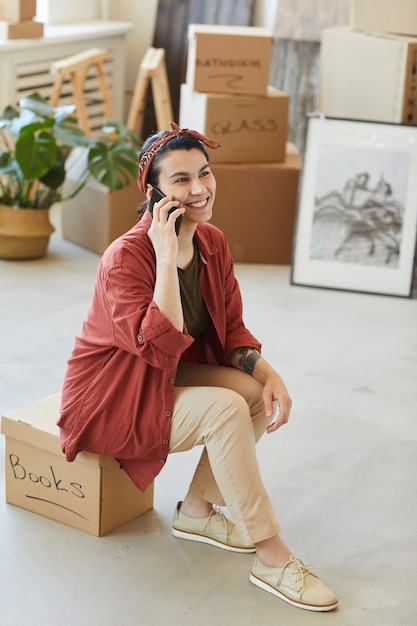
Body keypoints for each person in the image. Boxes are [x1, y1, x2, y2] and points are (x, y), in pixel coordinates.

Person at [58, 122, 338, 612]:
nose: (200, 189)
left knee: (251, 393)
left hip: (160, 380)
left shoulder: (211, 243)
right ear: (154, 194)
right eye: (181, 180)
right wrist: (166, 259)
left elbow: (231, 332)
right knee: (226, 409)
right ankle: (271, 555)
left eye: (204, 174)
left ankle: (198, 510)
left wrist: (268, 373)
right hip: (112, 397)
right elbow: (158, 348)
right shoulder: (125, 259)